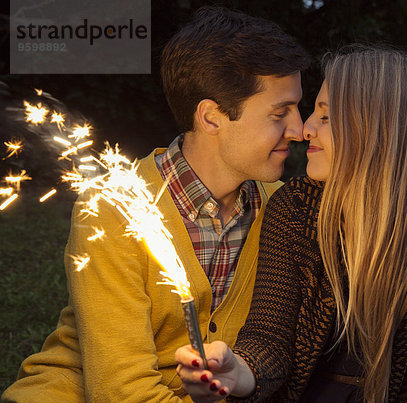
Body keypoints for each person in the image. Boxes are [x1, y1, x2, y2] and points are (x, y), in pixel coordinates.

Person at [2, 7, 310, 402]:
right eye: (279, 113)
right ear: (212, 117)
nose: (299, 129)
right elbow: (121, 390)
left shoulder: (282, 210)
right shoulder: (116, 208)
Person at [175, 46, 407, 402]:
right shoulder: (295, 208)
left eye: (325, 117)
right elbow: (269, 339)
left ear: (378, 128)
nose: (305, 129)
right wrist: (239, 373)